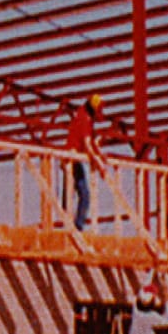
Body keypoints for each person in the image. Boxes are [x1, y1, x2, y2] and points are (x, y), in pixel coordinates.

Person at [66, 93, 107, 231]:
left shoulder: (84, 118)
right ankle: (77, 226)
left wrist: (100, 155)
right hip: (72, 160)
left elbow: (93, 143)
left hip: (72, 160)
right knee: (83, 194)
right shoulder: (84, 119)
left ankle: (73, 224)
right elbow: (88, 145)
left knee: (73, 193)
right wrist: (100, 165)